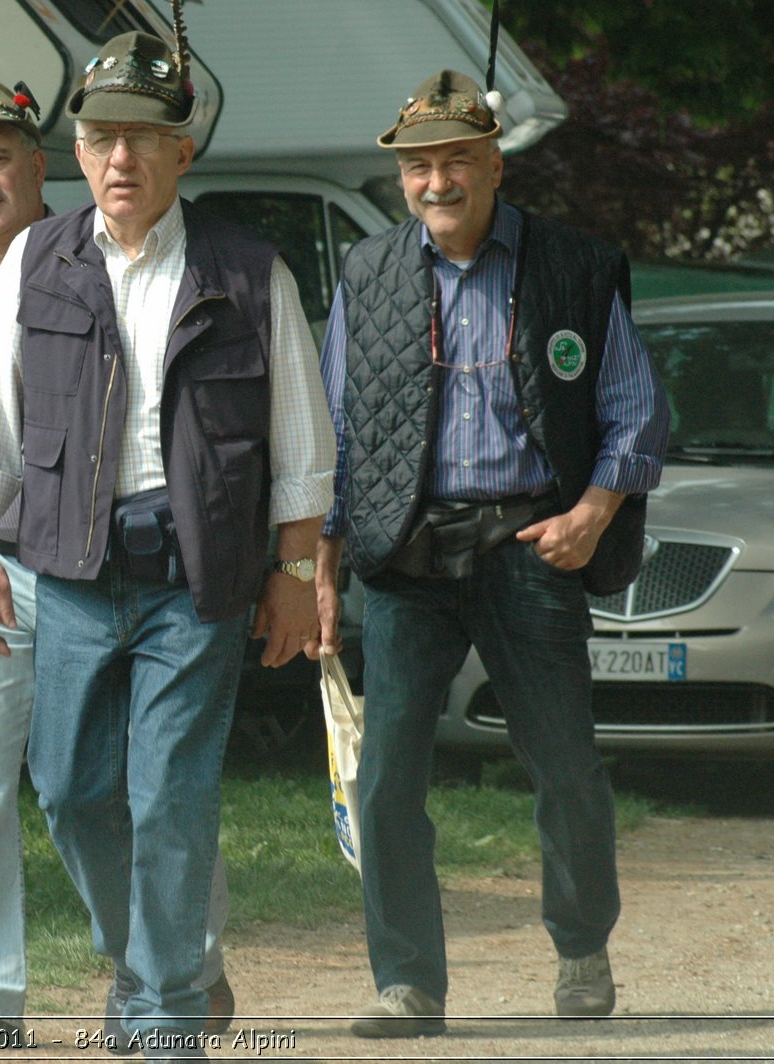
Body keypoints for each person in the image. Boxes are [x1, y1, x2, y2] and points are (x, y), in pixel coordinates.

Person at [0, 28, 334, 1062]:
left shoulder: (251, 272)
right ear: (76, 149)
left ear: (183, 153)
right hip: (69, 573)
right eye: (101, 137)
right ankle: (153, 968)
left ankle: (164, 1020)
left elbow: (301, 444)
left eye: (143, 139)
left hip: (194, 577)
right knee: (71, 790)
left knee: (168, 790)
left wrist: (297, 573)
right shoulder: (38, 257)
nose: (119, 159)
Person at [0, 77, 232, 1052]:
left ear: (44, 163)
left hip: (114, 564)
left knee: (148, 773)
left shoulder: (109, 257)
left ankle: (184, 961)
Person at [313, 69, 669, 1037]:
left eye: (456, 160)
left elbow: (636, 415)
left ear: (493, 165)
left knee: (564, 764)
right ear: (400, 180)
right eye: (419, 165)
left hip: (528, 544)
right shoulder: (369, 273)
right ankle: (408, 982)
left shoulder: (575, 266)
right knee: (385, 775)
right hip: (405, 550)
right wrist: (321, 563)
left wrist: (590, 513)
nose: (437, 180)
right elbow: (335, 430)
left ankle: (582, 943)